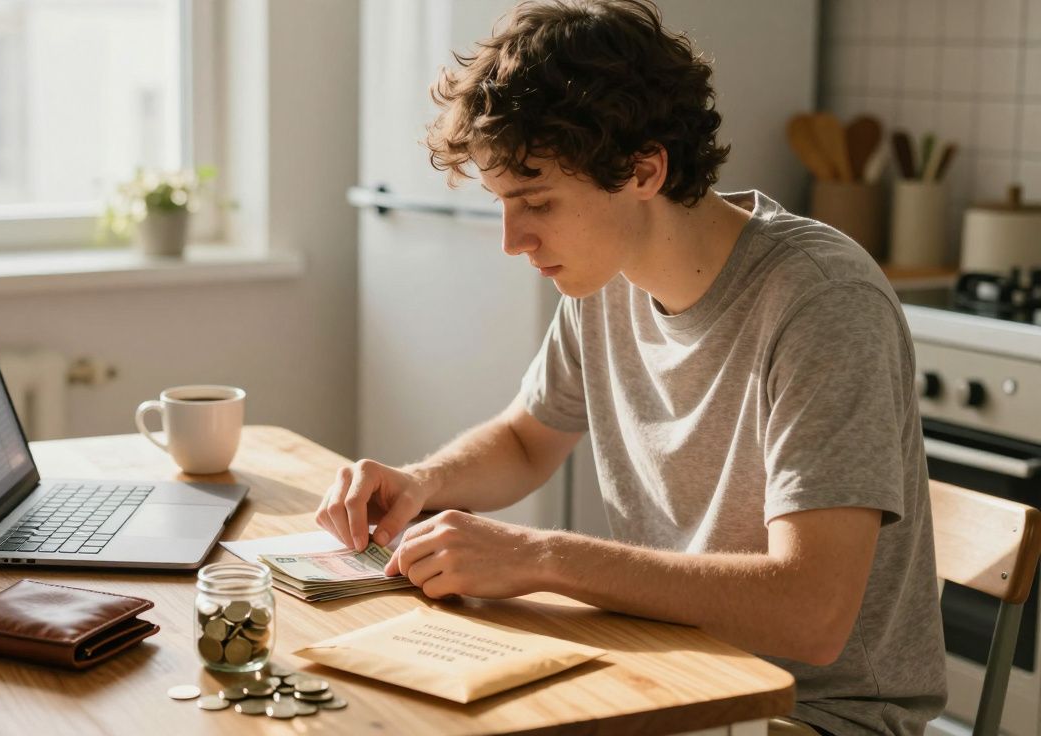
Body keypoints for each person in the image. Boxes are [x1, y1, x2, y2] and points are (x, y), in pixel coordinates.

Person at [316, 1, 947, 734]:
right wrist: (422, 483)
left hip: (809, 713)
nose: (512, 240)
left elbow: (811, 612)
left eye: (537, 202)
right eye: (502, 205)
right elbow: (526, 441)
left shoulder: (821, 301)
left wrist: (541, 555)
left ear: (645, 170)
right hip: (665, 673)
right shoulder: (607, 281)